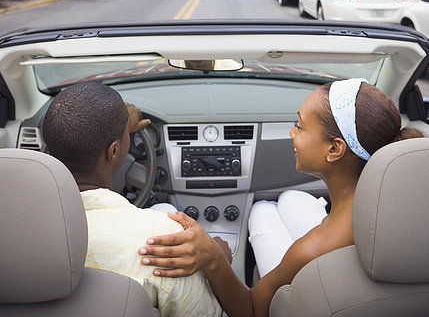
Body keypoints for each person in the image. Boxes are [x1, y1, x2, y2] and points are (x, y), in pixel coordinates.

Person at [137, 79, 424, 317]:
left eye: (299, 126)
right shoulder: (406, 207)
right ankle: (265, 207)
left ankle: (260, 211)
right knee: (284, 199)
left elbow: (251, 309)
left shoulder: (310, 252)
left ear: (335, 149)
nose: (291, 133)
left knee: (259, 210)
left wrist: (215, 258)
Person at [43, 81, 222, 317]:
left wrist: (113, 122)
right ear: (114, 151)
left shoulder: (14, 232)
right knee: (164, 208)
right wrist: (218, 261)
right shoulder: (162, 240)